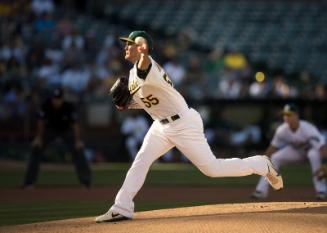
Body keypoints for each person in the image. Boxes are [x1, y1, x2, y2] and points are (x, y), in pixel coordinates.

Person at [95, 31, 283, 223]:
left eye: (130, 44)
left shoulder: (147, 65)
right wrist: (127, 104)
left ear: (141, 47)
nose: (125, 47)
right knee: (140, 161)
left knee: (212, 169)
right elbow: (150, 101)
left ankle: (261, 164)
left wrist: (143, 49)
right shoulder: (133, 73)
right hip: (160, 125)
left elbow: (145, 62)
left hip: (183, 124)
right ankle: (122, 207)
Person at [251, 104, 327, 200]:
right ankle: (260, 191)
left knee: (313, 155)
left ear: (296, 116)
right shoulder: (282, 130)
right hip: (296, 152)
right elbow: (273, 147)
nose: (286, 117)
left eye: (289, 114)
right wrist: (262, 161)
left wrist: (324, 164)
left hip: (312, 150)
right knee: (275, 157)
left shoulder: (308, 128)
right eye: (285, 115)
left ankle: (322, 191)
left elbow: (322, 146)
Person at [22, 87, 92, 188]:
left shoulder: (68, 106)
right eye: (55, 99)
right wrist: (38, 138)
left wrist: (78, 141)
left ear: (62, 99)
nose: (56, 101)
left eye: (58, 99)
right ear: (52, 98)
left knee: (78, 149)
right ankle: (29, 182)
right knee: (36, 148)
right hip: (50, 129)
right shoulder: (46, 105)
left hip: (66, 130)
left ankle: (86, 182)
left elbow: (75, 125)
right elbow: (41, 122)